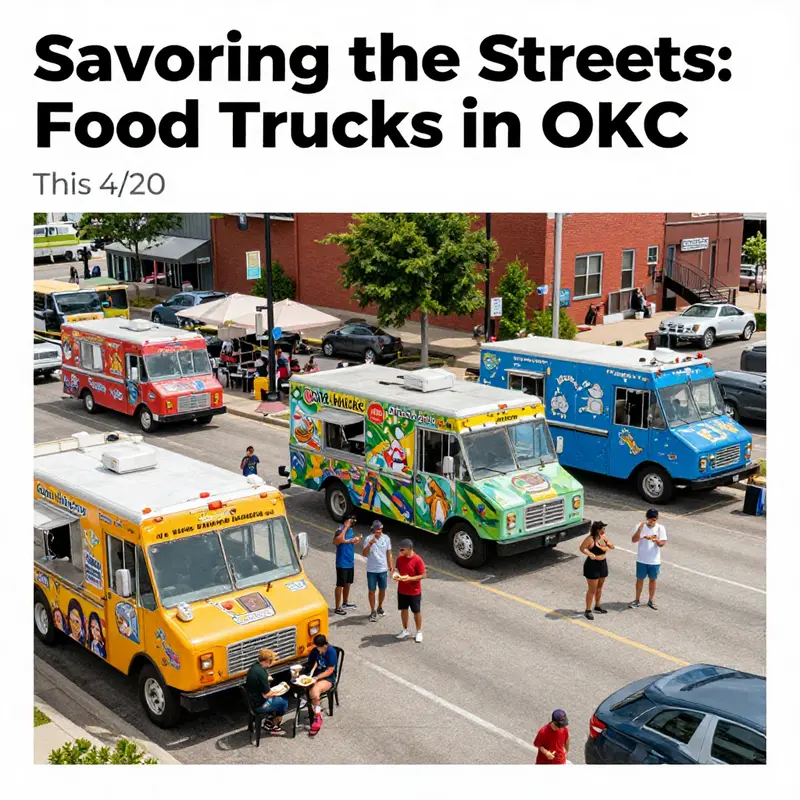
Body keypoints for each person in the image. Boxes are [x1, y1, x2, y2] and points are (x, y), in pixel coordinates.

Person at [244, 648, 288, 736]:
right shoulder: (261, 673)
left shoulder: (254, 667)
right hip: (259, 705)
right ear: (268, 660)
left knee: (277, 700)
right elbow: (268, 694)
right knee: (283, 702)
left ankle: (269, 720)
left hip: (251, 700)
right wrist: (278, 691)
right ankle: (274, 726)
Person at [630, 508, 667, 610]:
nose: (651, 521)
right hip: (642, 559)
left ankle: (651, 600)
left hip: (654, 560)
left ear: (657, 519)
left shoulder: (660, 528)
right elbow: (634, 540)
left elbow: (662, 544)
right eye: (649, 519)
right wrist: (640, 529)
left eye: (653, 519)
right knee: (640, 580)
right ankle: (637, 599)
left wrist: (657, 541)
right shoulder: (640, 526)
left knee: (653, 580)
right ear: (646, 518)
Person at [579, 521, 614, 620]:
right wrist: (590, 554)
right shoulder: (590, 539)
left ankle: (597, 606)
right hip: (592, 565)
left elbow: (612, 547)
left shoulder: (603, 538)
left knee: (599, 587)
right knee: (592, 589)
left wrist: (607, 543)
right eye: (603, 529)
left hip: (602, 564)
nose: (604, 530)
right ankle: (588, 610)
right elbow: (582, 548)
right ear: (598, 530)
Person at [305, 634, 338, 736]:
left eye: (318, 647)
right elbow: (313, 662)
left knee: (314, 692)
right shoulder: (316, 651)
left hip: (327, 678)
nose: (317, 649)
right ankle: (312, 704)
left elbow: (330, 670)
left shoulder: (331, 652)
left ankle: (318, 715)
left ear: (323, 646)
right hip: (315, 675)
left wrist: (317, 677)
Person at [394, 538, 425, 642]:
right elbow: (397, 569)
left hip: (414, 591)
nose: (400, 552)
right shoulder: (400, 558)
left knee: (416, 612)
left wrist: (410, 578)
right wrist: (396, 575)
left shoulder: (418, 560)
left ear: (409, 549)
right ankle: (405, 629)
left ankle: (419, 631)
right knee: (403, 610)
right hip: (402, 590)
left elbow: (422, 575)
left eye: (402, 550)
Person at [362, 520, 393, 622]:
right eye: (377, 529)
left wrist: (391, 566)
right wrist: (370, 544)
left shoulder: (386, 539)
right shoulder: (368, 539)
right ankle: (372, 611)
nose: (379, 531)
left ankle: (379, 607)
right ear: (373, 530)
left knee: (382, 590)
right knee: (372, 591)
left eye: (380, 529)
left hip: (383, 569)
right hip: (371, 570)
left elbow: (389, 553)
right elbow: (364, 554)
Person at [333, 518, 361, 615]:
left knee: (348, 582)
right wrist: (346, 527)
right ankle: (337, 608)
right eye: (350, 521)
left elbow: (348, 541)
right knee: (340, 585)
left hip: (350, 561)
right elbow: (337, 541)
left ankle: (345, 602)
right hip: (342, 562)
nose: (352, 523)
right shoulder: (340, 530)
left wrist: (354, 540)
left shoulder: (351, 530)